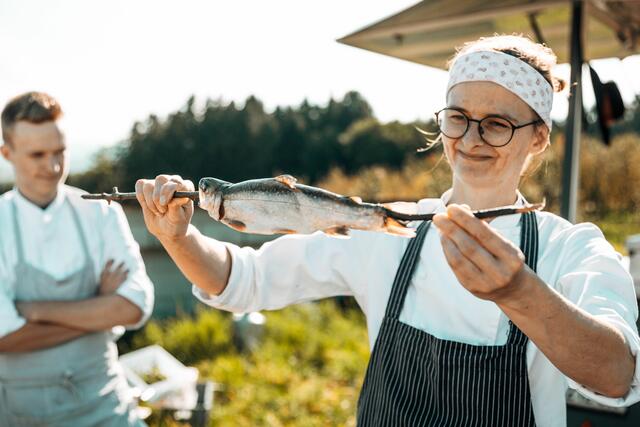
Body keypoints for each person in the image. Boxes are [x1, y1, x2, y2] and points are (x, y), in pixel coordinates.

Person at [135, 35, 640, 426]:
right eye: (458, 118)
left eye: (497, 124)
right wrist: (178, 238)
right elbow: (243, 278)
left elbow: (617, 377)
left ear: (539, 138)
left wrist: (521, 294)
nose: (471, 138)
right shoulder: (383, 227)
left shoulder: (570, 248)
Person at [0, 92, 154, 426]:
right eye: (37, 155)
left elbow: (135, 306)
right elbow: (3, 337)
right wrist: (98, 310)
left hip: (107, 405)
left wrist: (35, 310)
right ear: (7, 153)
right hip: (22, 414)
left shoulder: (100, 212)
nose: (53, 167)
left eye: (60, 152)